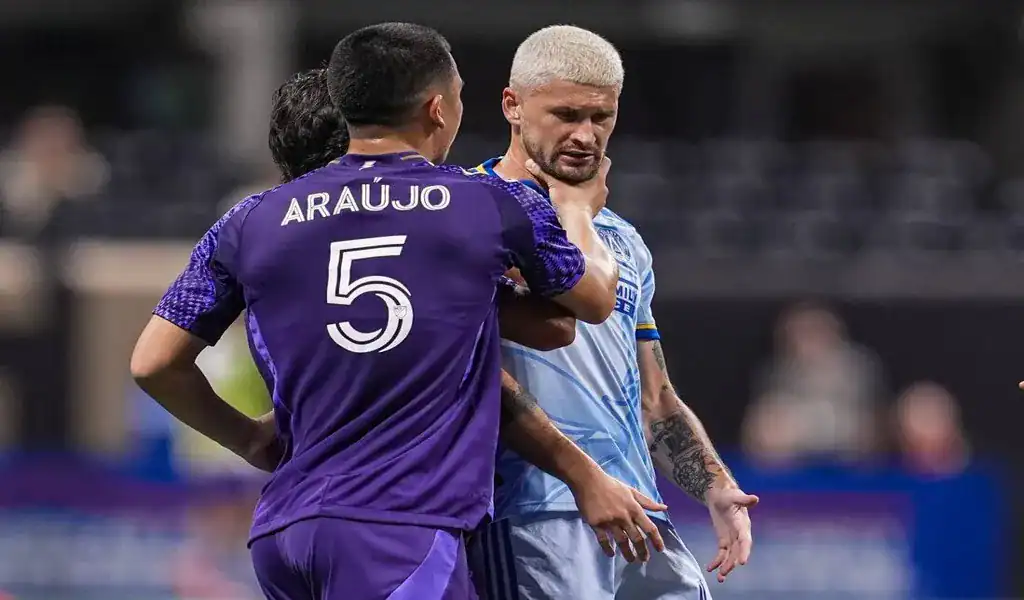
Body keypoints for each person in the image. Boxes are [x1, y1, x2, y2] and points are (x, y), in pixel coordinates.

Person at [130, 22, 622, 600]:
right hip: (400, 529)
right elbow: (591, 300)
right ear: (438, 108)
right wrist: (578, 207)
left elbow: (153, 363)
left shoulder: (249, 221)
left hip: (286, 532)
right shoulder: (485, 203)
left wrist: (249, 441)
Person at [467, 26, 758, 600]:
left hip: (640, 514)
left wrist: (715, 486)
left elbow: (656, 398)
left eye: (601, 117)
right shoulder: (464, 215)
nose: (585, 135)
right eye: (566, 114)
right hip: (532, 512)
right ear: (513, 106)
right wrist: (571, 208)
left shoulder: (623, 240)